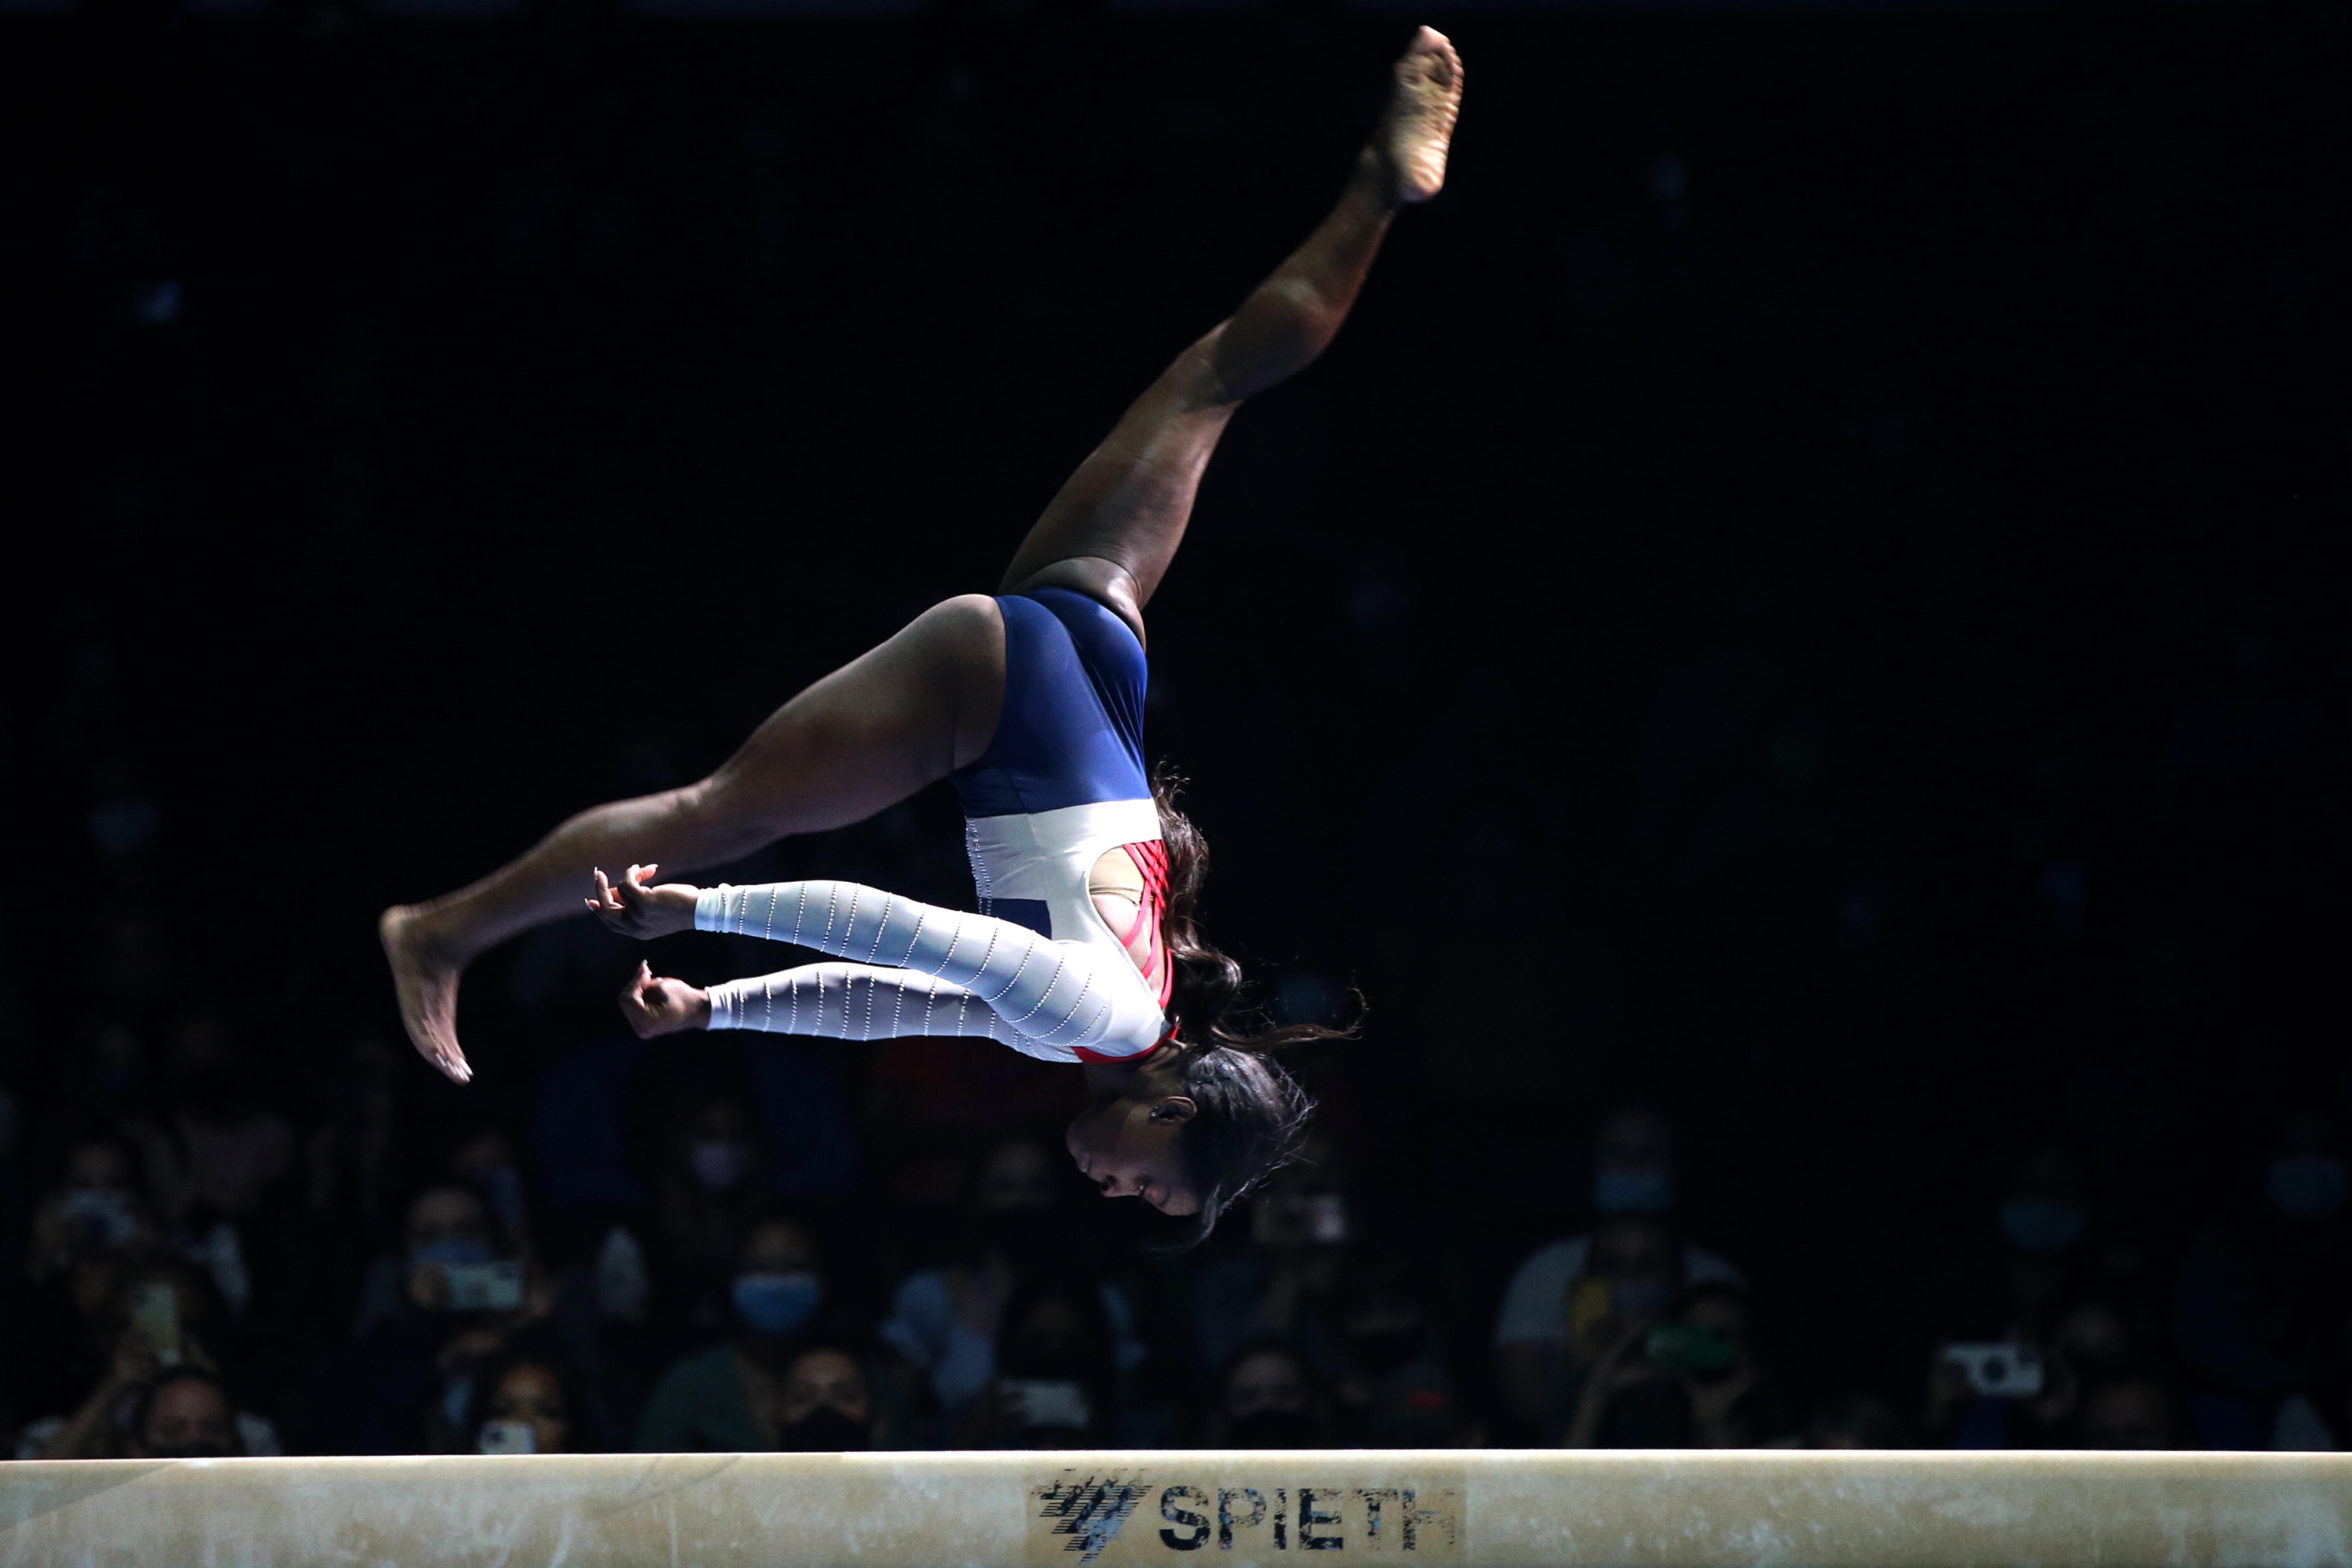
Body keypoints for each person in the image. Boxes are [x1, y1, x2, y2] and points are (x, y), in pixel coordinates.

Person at [378, 30, 1468, 1239]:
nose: (1118, 1193)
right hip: (1000, 696)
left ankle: (1380, 191)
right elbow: (910, 929)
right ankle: (444, 929)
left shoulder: (1119, 1017)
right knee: (719, 814)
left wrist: (716, 1015)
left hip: (1093, 661)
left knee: (1214, 377)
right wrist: (700, 910)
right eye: (1153, 1188)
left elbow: (894, 1002)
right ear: (1169, 1116)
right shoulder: (1102, 1017)